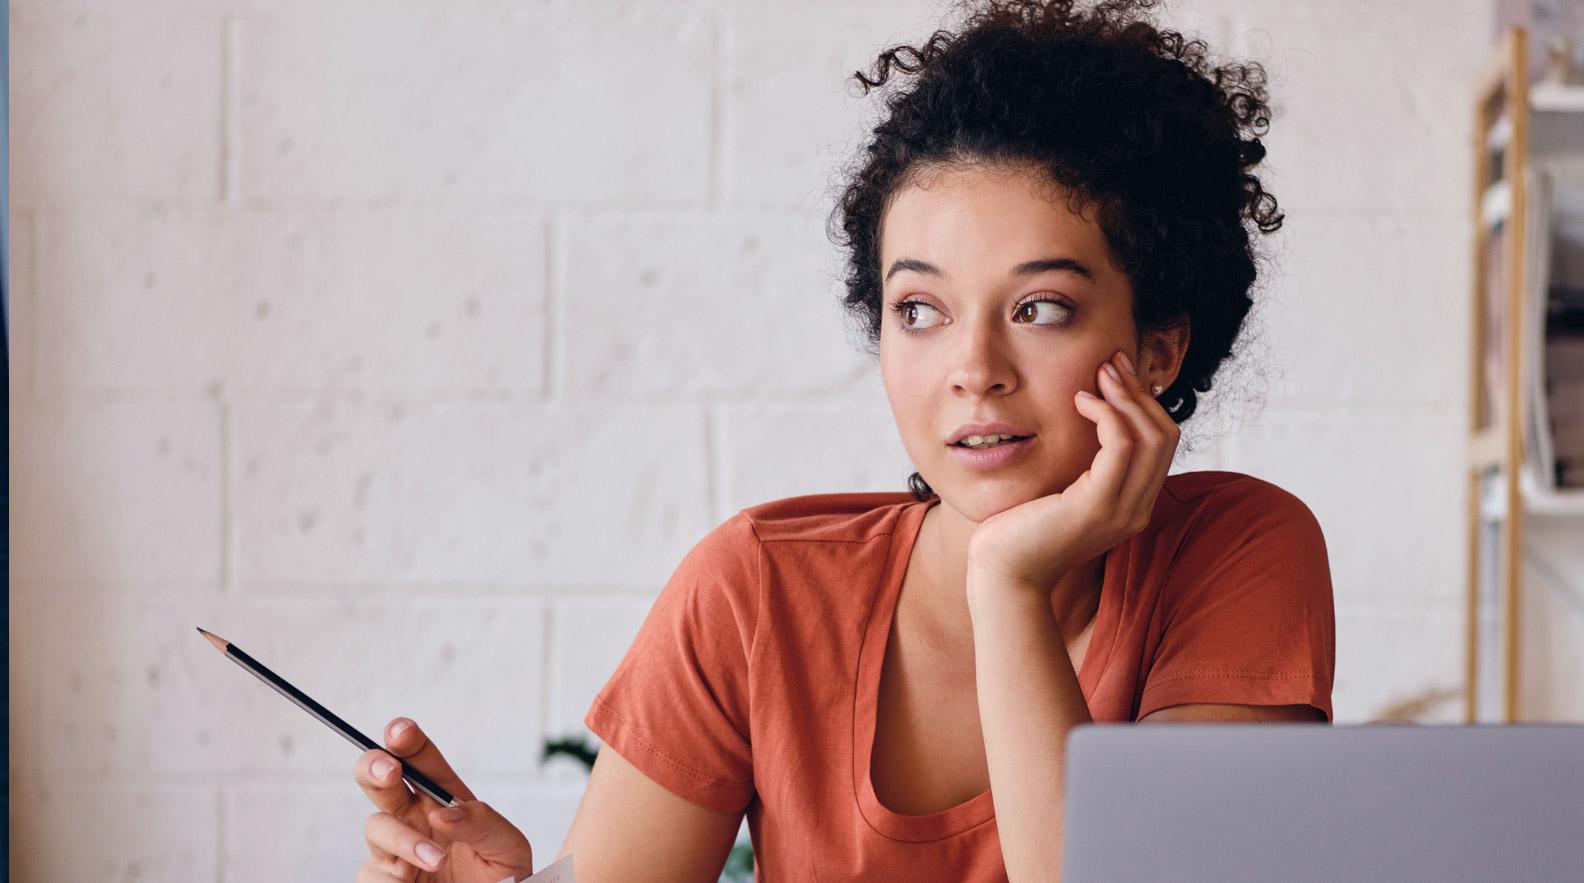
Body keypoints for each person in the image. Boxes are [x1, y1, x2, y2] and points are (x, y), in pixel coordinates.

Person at [352, 0, 1332, 880]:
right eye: (920, 309)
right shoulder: (755, 591)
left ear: (1158, 347)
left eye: (1039, 307)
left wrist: (1008, 582)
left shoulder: (1238, 552)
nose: (972, 366)